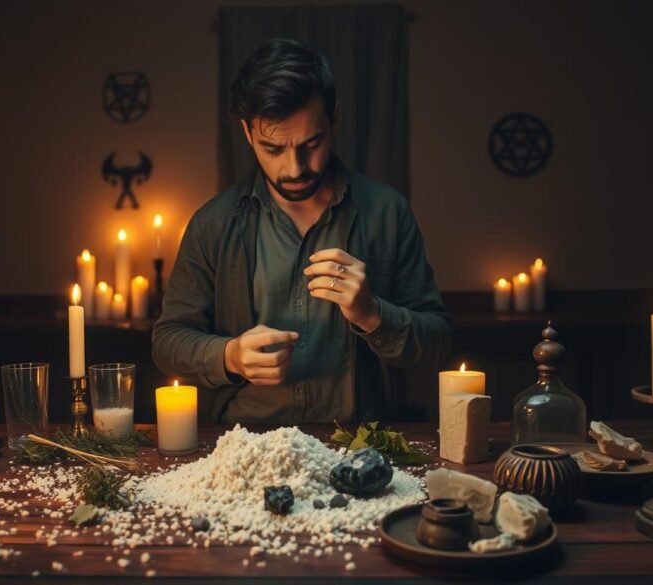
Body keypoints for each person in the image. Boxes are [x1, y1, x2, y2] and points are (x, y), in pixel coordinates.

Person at [152, 38, 450, 424]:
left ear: (334, 120)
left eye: (312, 143)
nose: (294, 168)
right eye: (273, 149)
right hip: (243, 448)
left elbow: (438, 342)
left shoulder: (387, 213)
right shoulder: (213, 224)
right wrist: (229, 356)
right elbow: (167, 341)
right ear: (247, 132)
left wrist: (372, 314)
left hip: (358, 447)